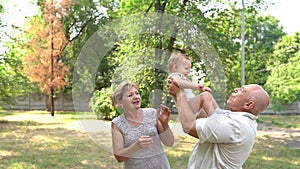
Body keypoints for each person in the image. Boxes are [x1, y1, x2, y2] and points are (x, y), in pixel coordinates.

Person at [167, 78, 270, 169]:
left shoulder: (235, 125)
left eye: (241, 90)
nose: (236, 89)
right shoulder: (237, 119)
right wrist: (205, 97)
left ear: (248, 104)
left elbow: (189, 126)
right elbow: (208, 120)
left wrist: (179, 94)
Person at [111, 81, 174, 169]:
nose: (136, 97)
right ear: (120, 102)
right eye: (130, 95)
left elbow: (169, 142)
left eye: (137, 93)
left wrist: (164, 123)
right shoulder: (117, 124)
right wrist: (137, 145)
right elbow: (119, 157)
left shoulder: (152, 113)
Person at [167, 52, 213, 118]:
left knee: (206, 112)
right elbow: (180, 83)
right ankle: (215, 120)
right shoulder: (174, 76)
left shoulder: (183, 78)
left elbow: (191, 84)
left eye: (189, 69)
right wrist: (196, 87)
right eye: (186, 68)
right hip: (187, 104)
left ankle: (208, 120)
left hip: (190, 105)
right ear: (175, 67)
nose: (188, 71)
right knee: (205, 97)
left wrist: (202, 88)